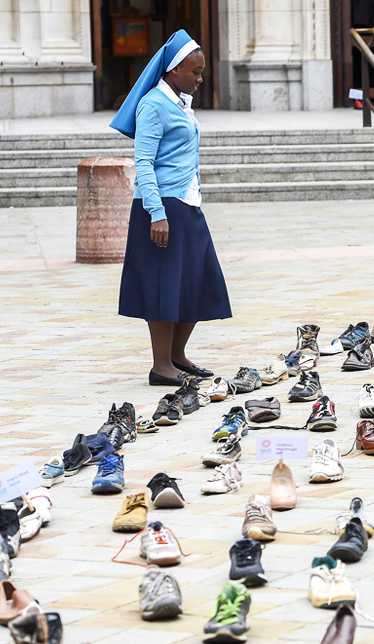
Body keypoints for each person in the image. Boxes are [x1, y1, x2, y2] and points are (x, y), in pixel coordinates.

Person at [110, 30, 232, 386]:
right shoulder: (153, 105)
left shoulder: (179, 103)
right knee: (164, 285)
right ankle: (161, 365)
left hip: (187, 202)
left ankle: (177, 355)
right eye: (195, 72)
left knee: (197, 280)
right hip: (162, 207)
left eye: (201, 72)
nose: (199, 78)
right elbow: (143, 162)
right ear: (174, 69)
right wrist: (157, 213)